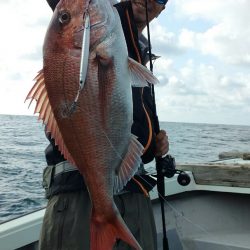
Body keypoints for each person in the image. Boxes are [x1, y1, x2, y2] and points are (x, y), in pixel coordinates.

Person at [39, 0, 169, 249]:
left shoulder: (139, 47)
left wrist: (153, 142)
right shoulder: (100, 20)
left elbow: (124, 112)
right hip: (79, 198)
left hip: (135, 195)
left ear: (163, 9)